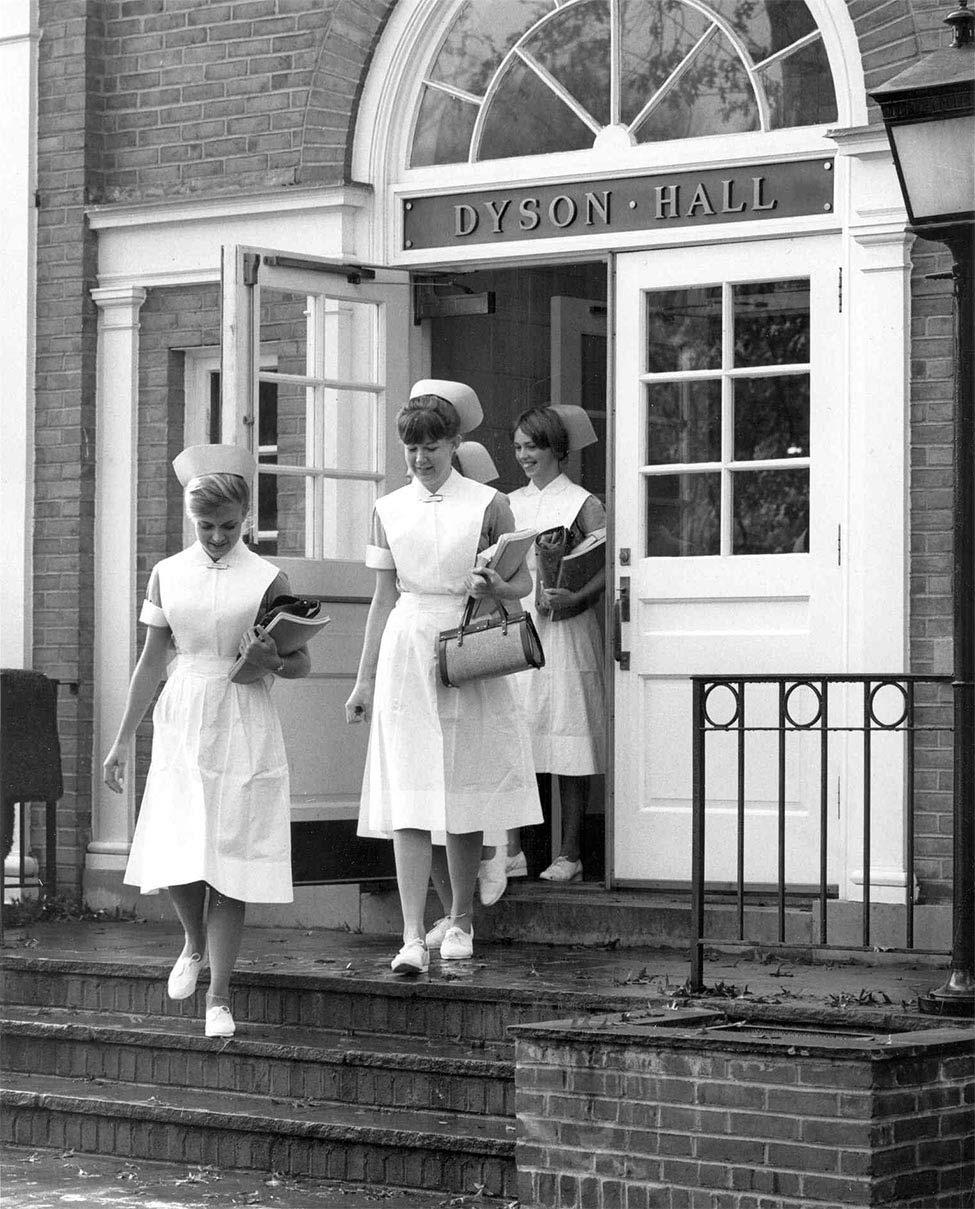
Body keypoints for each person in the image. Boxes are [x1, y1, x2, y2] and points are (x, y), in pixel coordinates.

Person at [103, 444, 309, 1037]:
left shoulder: (269, 577)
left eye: (228, 526)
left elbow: (299, 664)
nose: (217, 537)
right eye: (205, 526)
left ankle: (220, 996)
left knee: (231, 859)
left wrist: (272, 656)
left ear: (245, 517)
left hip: (243, 713)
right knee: (179, 848)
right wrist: (122, 741)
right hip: (183, 715)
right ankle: (191, 942)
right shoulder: (168, 573)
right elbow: (149, 663)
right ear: (190, 520)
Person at [346, 380, 542, 973]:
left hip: (466, 644)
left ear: (454, 443)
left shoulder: (488, 504)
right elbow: (382, 599)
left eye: (432, 446)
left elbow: (522, 587)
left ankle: (459, 919)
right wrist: (364, 681)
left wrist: (493, 587)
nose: (421, 458)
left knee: (461, 790)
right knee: (407, 795)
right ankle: (410, 934)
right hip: (408, 646)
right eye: (411, 448)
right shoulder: (387, 509)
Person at [504, 404, 607, 883]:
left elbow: (608, 566)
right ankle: (516, 849)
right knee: (518, 737)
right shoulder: (507, 504)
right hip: (522, 627)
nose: (525, 456)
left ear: (556, 450)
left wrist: (576, 595)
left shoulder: (583, 503)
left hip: (568, 631)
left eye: (534, 447)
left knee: (568, 737)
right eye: (520, 447)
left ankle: (570, 853)